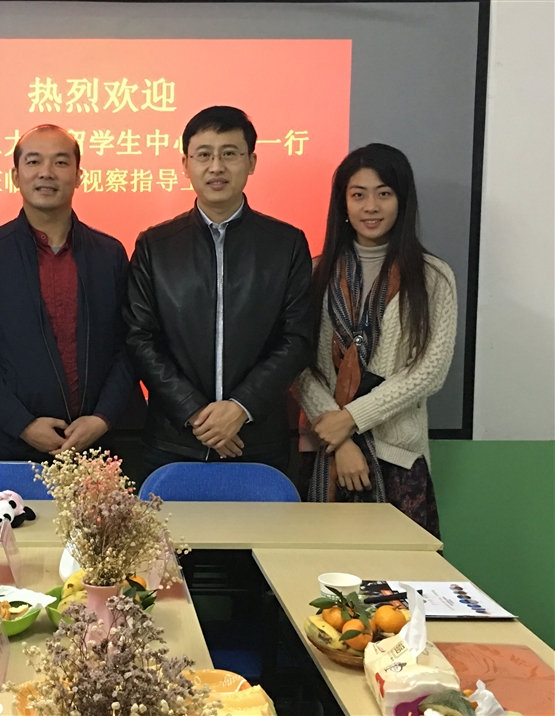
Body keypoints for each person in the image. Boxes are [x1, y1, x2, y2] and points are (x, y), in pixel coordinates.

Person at [125, 106, 314, 476]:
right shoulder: (155, 245)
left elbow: (297, 338)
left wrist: (240, 408)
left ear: (251, 161)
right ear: (185, 164)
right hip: (174, 441)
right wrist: (196, 414)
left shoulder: (286, 244)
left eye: (229, 153)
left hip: (257, 440)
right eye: (204, 155)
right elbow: (140, 338)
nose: (216, 167)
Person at [295, 143, 456, 537]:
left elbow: (429, 372)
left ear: (402, 201)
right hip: (325, 454)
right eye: (358, 195)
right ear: (343, 203)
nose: (371, 206)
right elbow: (297, 365)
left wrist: (350, 420)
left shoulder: (433, 277)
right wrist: (340, 440)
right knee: (318, 571)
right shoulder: (314, 275)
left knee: (401, 574)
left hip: (398, 459)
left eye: (384, 194)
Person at [0, 124, 136, 461]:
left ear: (79, 176)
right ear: (15, 176)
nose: (46, 173)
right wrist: (22, 424)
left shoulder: (109, 254)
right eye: (34, 162)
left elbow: (128, 345)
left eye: (60, 162)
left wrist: (102, 418)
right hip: (9, 448)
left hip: (99, 448)